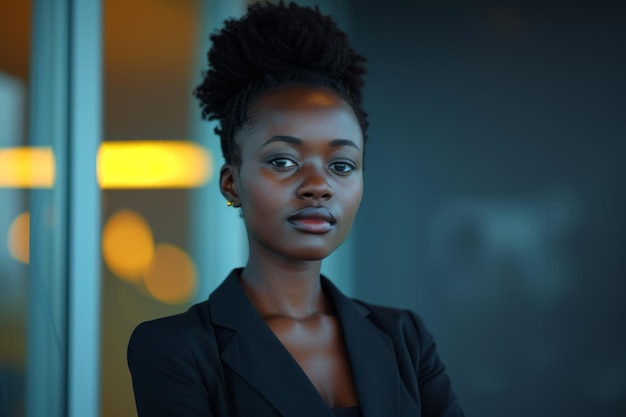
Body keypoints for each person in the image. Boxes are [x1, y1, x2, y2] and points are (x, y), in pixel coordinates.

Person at [127, 2, 464, 416]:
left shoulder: (405, 338)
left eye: (341, 166)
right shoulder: (177, 348)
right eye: (283, 162)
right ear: (231, 183)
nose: (318, 186)